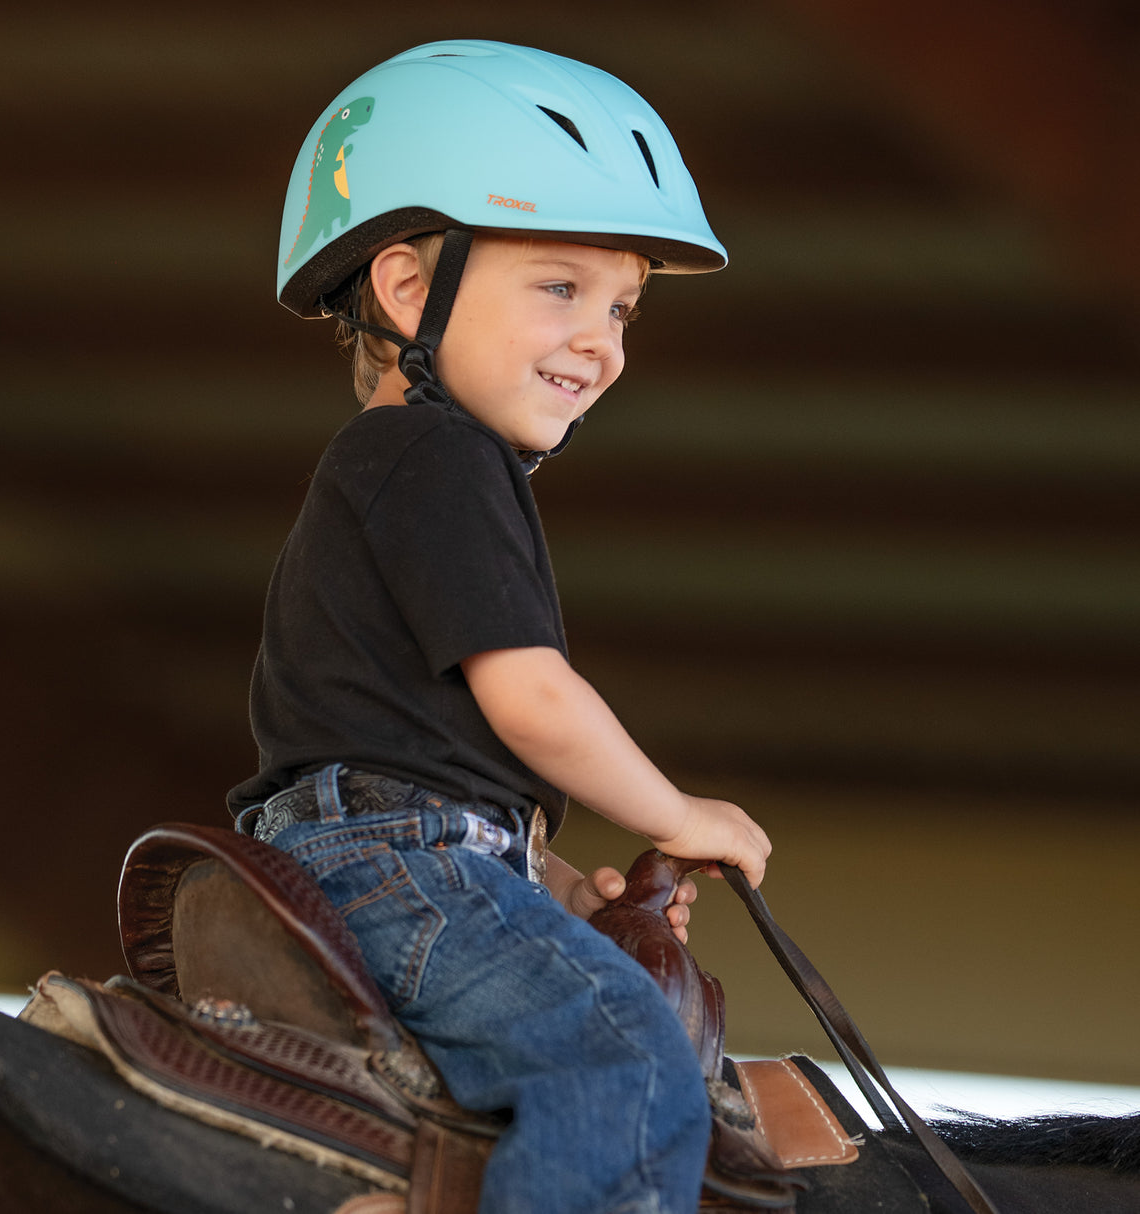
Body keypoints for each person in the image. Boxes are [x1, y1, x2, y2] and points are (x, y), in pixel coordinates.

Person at [228, 39, 772, 1214]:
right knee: (628, 1064)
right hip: (392, 869)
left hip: (393, 856)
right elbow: (528, 697)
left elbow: (408, 750)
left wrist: (553, 882)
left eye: (622, 305)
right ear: (408, 289)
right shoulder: (434, 452)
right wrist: (676, 811)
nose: (602, 340)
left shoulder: (409, 469)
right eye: (560, 287)